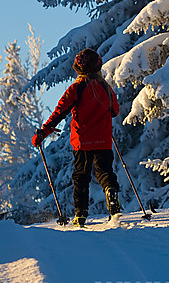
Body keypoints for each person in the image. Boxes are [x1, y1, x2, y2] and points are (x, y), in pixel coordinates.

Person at [32, 48, 121, 227]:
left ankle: (80, 214)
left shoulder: (76, 88)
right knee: (105, 172)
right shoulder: (106, 87)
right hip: (103, 139)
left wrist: (44, 132)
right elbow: (114, 111)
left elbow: (60, 112)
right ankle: (112, 196)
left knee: (81, 176)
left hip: (82, 140)